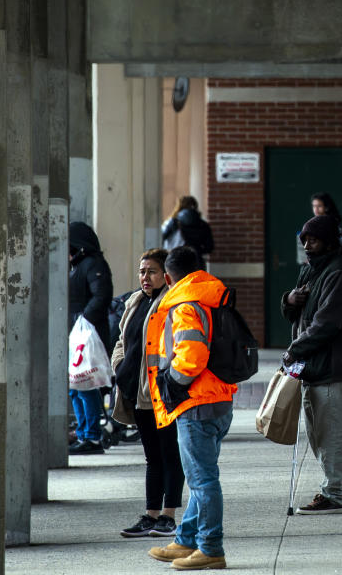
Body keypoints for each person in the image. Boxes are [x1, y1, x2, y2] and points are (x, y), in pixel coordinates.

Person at [145, 246, 236, 570]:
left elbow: (192, 355)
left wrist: (172, 383)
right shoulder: (213, 298)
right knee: (202, 476)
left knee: (203, 481)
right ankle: (185, 541)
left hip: (196, 404)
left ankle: (211, 548)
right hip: (219, 400)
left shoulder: (184, 305)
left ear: (169, 277)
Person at [280, 215, 342, 514]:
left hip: (332, 368)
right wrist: (289, 300)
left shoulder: (339, 274)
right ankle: (333, 487)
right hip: (312, 368)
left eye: (312, 240)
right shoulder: (311, 272)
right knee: (318, 435)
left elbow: (327, 324)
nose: (306, 245)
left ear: (329, 241)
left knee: (331, 434)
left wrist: (294, 349)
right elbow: (295, 316)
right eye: (304, 240)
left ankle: (336, 493)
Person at [110, 249, 185, 539]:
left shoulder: (172, 303)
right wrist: (120, 365)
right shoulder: (135, 301)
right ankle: (151, 514)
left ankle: (168, 516)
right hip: (138, 392)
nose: (145, 277)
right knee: (152, 456)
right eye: (142, 271)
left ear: (165, 275)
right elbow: (121, 340)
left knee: (170, 454)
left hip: (161, 393)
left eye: (152, 271)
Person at [68, 221, 114, 455]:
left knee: (86, 386)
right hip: (76, 334)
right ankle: (85, 433)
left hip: (88, 335)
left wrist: (83, 319)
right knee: (75, 387)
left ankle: (92, 437)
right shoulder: (76, 265)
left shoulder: (93, 264)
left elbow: (102, 295)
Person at [309, 191, 342, 271]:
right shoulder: (316, 222)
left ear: (326, 207)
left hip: (332, 264)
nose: (316, 209)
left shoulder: (330, 223)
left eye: (319, 206)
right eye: (314, 206)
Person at [161, 196, 214, 261]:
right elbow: (209, 247)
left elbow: (161, 238)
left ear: (179, 206)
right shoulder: (203, 224)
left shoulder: (173, 222)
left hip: (175, 259)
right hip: (196, 260)